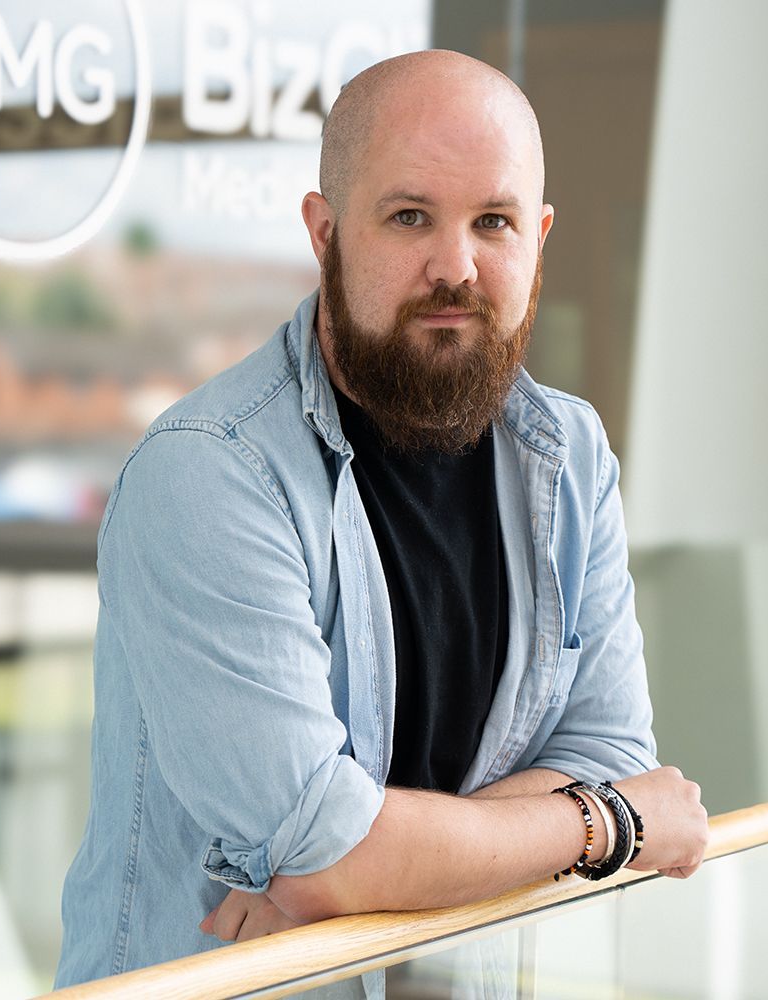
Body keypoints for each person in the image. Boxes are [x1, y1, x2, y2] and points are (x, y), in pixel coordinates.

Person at [55, 49, 708, 991]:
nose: (456, 265)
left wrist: (371, 868)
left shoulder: (570, 454)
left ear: (541, 236)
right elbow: (334, 854)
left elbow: (606, 749)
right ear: (324, 234)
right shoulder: (207, 474)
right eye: (410, 217)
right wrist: (606, 824)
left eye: (495, 220)